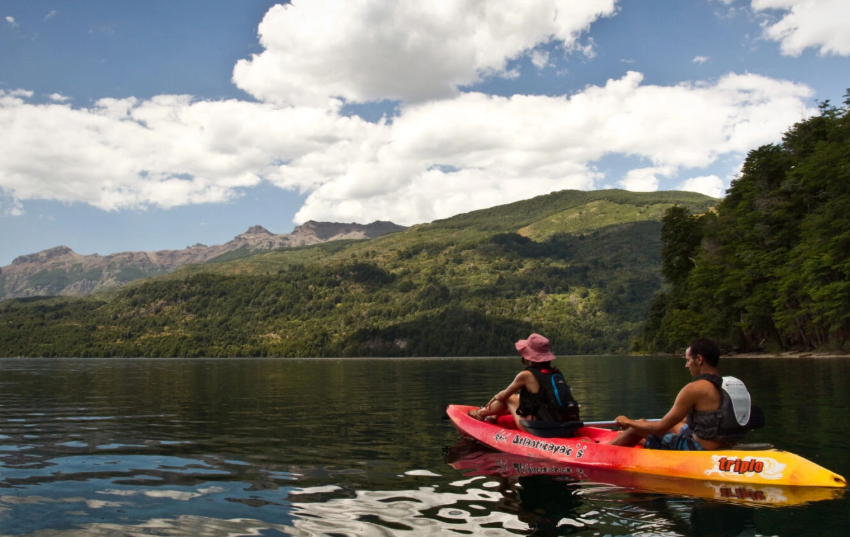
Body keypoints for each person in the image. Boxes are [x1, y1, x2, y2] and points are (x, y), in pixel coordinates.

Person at [609, 337, 751, 450]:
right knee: (674, 425)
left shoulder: (694, 388)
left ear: (699, 359)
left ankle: (602, 449)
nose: (686, 365)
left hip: (698, 448)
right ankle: (643, 441)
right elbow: (708, 420)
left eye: (688, 360)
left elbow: (659, 428)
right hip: (722, 443)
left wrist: (628, 422)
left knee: (638, 426)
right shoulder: (726, 384)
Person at [469, 333, 578, 432]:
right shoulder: (555, 373)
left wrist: (495, 397)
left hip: (539, 428)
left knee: (510, 397)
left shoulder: (526, 375)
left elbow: (505, 395)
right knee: (519, 397)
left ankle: (480, 413)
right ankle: (494, 416)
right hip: (564, 424)